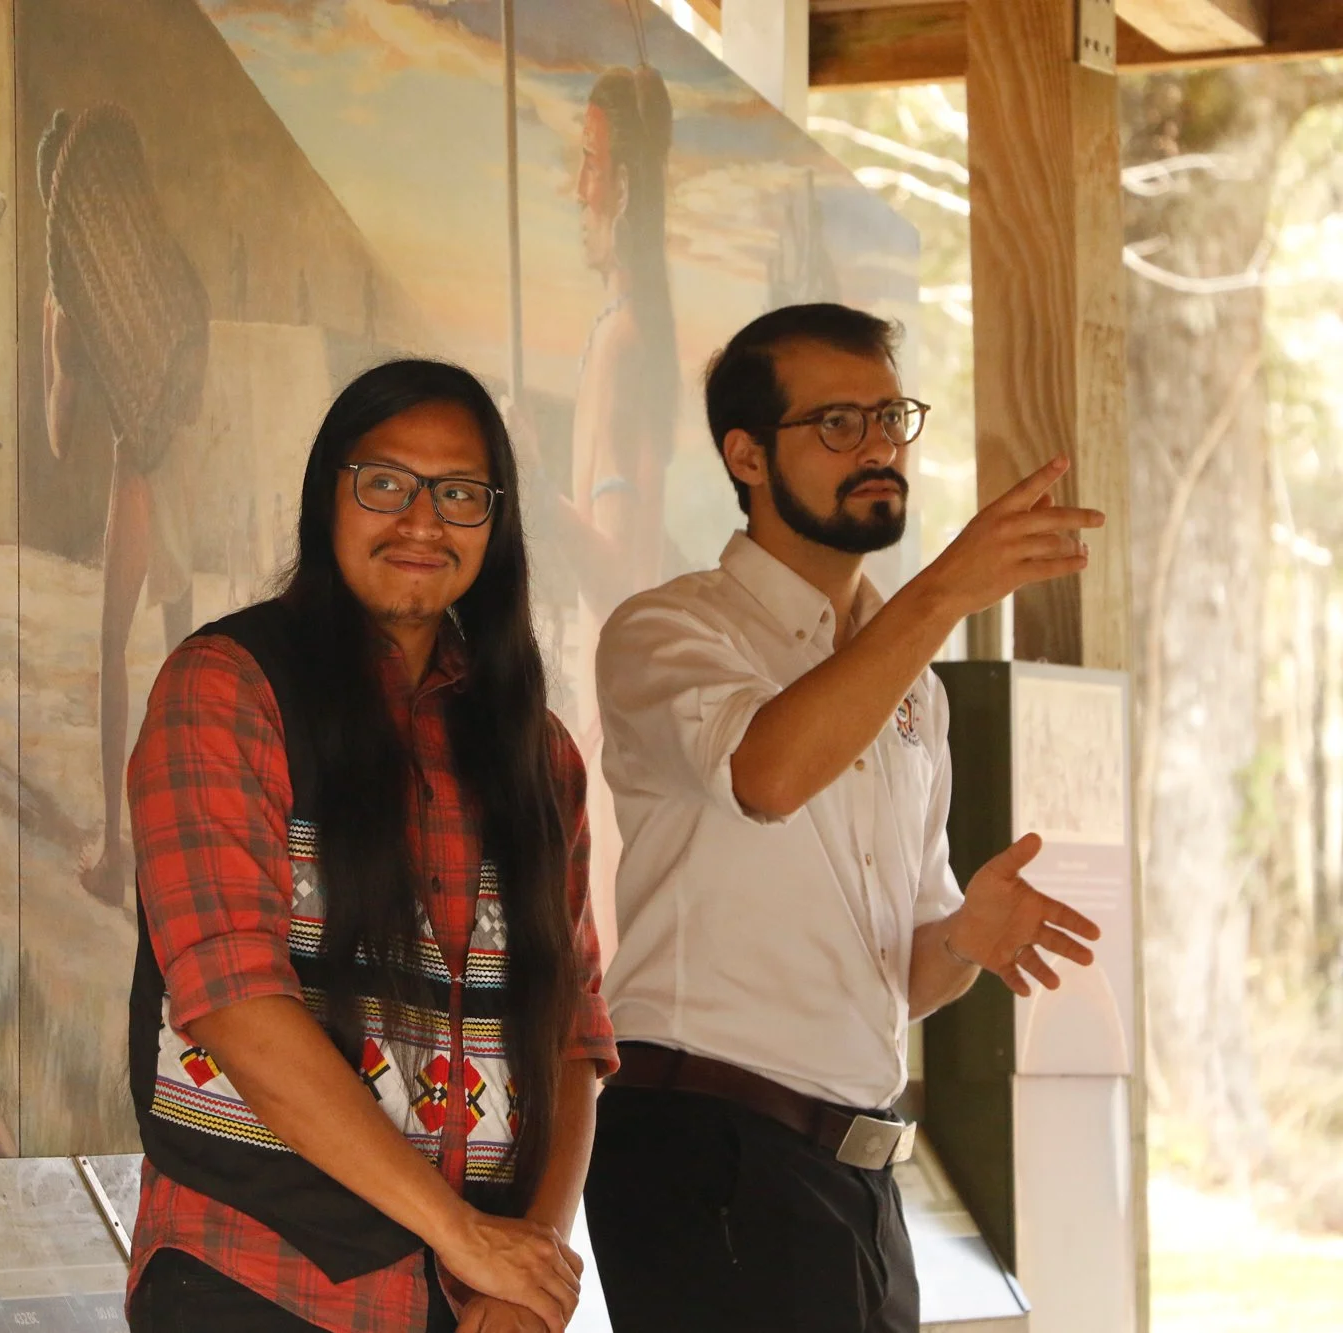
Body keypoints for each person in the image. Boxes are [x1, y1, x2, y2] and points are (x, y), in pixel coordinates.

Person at [582, 303, 1107, 1332]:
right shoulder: (667, 629)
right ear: (744, 454)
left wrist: (966, 938)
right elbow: (765, 775)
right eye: (834, 424)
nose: (874, 449)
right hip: (708, 1154)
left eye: (886, 419)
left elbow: (900, 976)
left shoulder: (917, 687)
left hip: (856, 1177)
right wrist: (947, 590)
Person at [126, 359, 618, 1333]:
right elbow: (232, 1003)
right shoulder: (226, 691)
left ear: (497, 520)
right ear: (327, 499)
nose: (422, 522)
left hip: (467, 1308)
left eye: (459, 494)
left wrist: (522, 1269)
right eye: (384, 484)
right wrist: (463, 1234)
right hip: (251, 1278)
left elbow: (572, 1038)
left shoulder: (538, 753)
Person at [38, 105, 205, 906]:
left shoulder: (77, 308)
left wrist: (53, 347)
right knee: (187, 653)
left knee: (114, 654)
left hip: (134, 475)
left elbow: (61, 437)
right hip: (180, 469)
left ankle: (116, 849)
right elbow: (194, 398)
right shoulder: (172, 272)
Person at [549, 65, 678, 959]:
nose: (578, 185)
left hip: (612, 707)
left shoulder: (626, 343)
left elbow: (623, 578)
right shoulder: (632, 331)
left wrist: (524, 491)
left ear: (623, 184)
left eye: (591, 162)